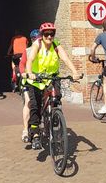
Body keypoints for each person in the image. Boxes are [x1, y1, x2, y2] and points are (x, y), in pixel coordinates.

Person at [25, 22, 81, 150]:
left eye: (52, 34)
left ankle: (55, 116)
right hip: (36, 79)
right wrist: (29, 73)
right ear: (42, 35)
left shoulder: (56, 45)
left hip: (52, 77)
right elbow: (30, 60)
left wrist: (74, 72)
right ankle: (35, 135)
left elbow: (66, 59)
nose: (49, 37)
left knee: (57, 97)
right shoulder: (37, 44)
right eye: (46, 34)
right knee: (35, 107)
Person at [18, 29, 40, 143]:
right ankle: (26, 130)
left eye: (38, 38)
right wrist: (24, 73)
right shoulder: (28, 51)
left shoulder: (45, 50)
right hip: (28, 81)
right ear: (31, 40)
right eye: (34, 39)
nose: (37, 41)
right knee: (29, 102)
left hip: (40, 81)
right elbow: (22, 64)